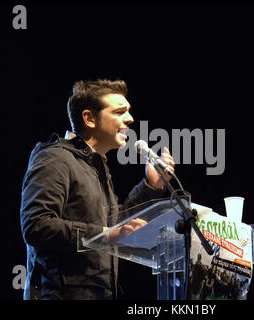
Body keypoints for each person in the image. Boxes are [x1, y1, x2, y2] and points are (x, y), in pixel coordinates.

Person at [20, 79, 175, 300]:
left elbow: (115, 225)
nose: (130, 119)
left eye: (128, 112)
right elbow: (37, 225)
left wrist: (151, 185)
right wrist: (104, 234)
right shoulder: (55, 158)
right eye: (120, 112)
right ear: (89, 118)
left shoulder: (96, 167)